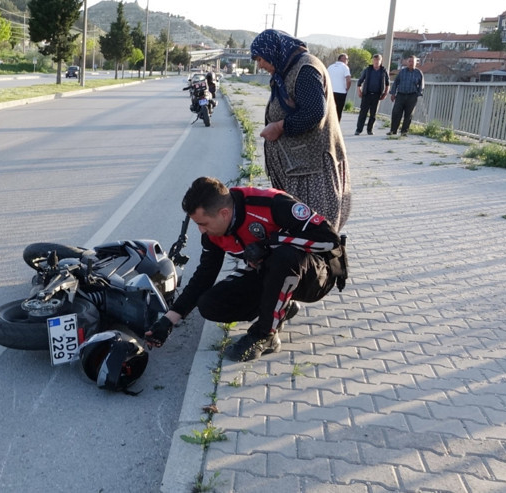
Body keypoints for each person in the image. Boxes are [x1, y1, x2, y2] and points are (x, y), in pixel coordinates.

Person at [144, 177, 346, 362]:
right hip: (273, 273)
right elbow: (204, 277)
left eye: (203, 223)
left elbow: (330, 240)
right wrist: (169, 320)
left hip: (317, 275)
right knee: (209, 304)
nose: (201, 230)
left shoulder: (270, 204)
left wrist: (271, 243)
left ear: (223, 213)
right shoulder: (213, 233)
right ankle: (280, 308)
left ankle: (265, 335)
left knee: (283, 256)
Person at [251, 29, 351, 233]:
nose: (259, 64)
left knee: (315, 229)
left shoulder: (305, 68)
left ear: (273, 51)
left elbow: (314, 113)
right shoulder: (286, 70)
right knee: (301, 230)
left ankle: (322, 263)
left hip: (311, 170)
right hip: (299, 168)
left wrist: (279, 127)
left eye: (261, 58)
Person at [388, 55, 424, 136]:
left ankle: (404, 131)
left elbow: (421, 85)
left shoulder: (418, 73)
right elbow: (396, 82)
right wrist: (393, 93)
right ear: (407, 62)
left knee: (408, 114)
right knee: (396, 112)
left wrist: (418, 94)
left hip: (412, 96)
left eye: (413, 62)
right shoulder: (402, 72)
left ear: (416, 63)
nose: (411, 63)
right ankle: (393, 130)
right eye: (410, 61)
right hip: (401, 95)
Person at [354, 54, 390, 136]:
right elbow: (360, 81)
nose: (376, 62)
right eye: (375, 60)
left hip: (377, 95)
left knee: (373, 114)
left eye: (378, 60)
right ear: (372, 61)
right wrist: (359, 90)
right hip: (366, 94)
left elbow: (387, 83)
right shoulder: (367, 70)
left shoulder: (384, 71)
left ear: (381, 61)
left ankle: (369, 130)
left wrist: (385, 93)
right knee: (363, 113)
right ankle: (358, 130)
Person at [326, 53, 352, 120]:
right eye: (347, 59)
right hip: (341, 92)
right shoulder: (345, 67)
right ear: (343, 59)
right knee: (338, 111)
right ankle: (336, 127)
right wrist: (347, 89)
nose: (347, 61)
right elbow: (348, 80)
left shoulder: (330, 67)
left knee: (329, 110)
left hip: (330, 91)